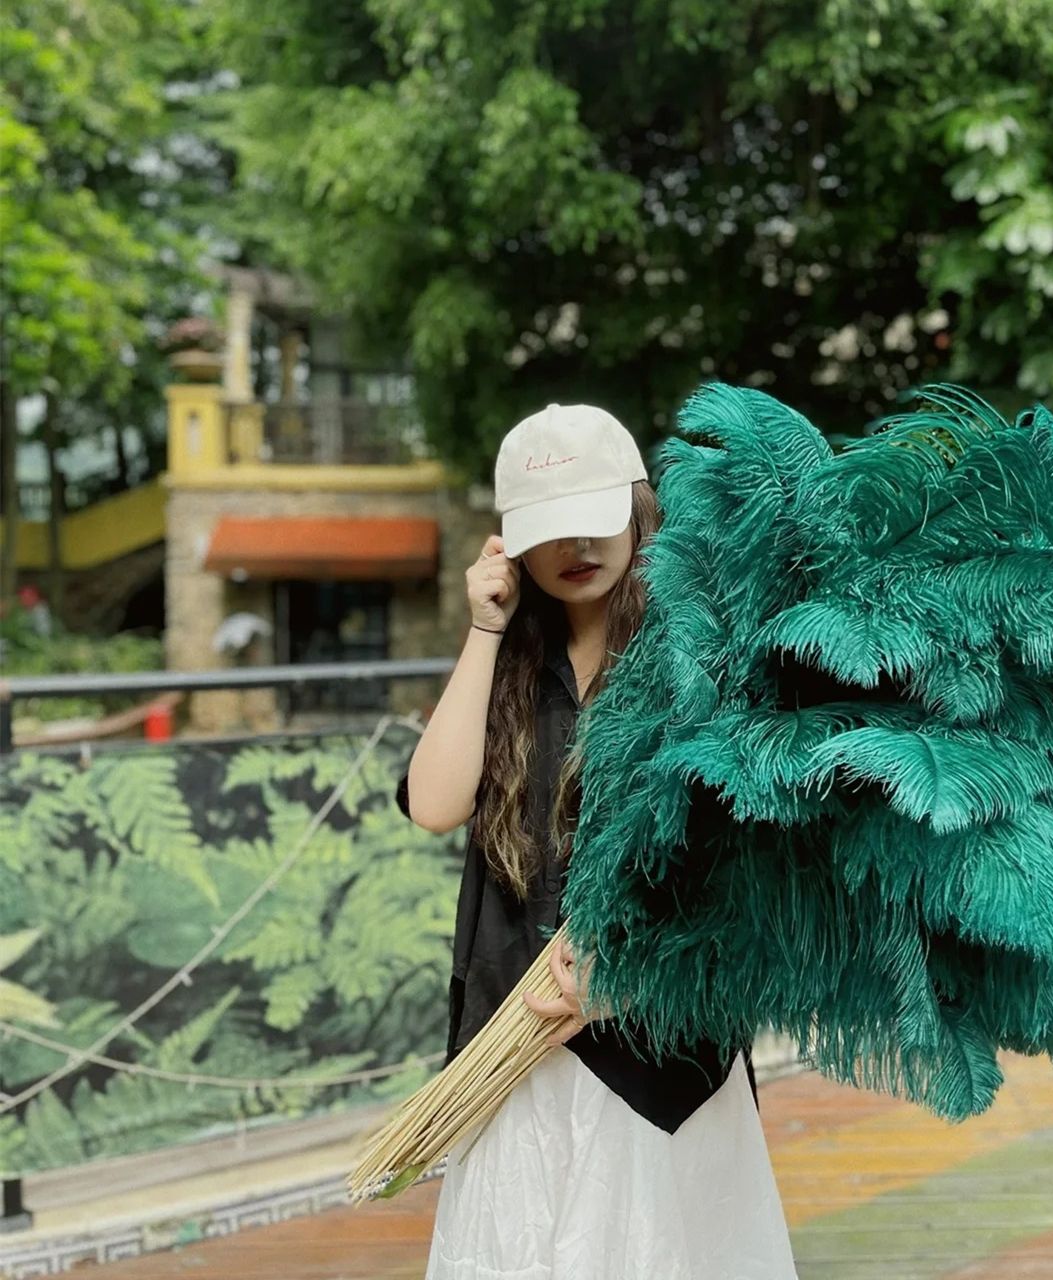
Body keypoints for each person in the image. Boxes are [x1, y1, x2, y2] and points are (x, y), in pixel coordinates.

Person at [396, 402, 798, 1279]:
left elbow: (750, 855)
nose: (576, 547)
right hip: (517, 1045)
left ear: (638, 509)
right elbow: (433, 803)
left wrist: (635, 966)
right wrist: (484, 629)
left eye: (595, 519)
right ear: (510, 544)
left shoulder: (701, 652)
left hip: (660, 1055)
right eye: (549, 532)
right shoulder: (509, 662)